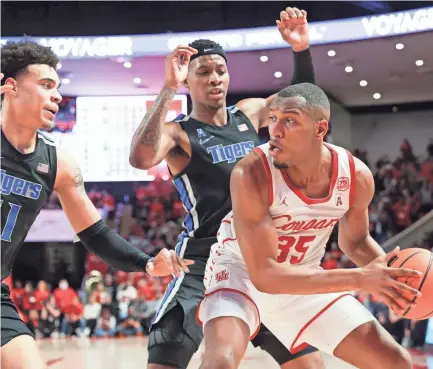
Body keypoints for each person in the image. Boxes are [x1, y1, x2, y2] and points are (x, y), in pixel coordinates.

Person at [130, 6, 324, 369]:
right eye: (203, 72)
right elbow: (140, 158)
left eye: (221, 70)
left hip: (258, 258)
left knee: (309, 364)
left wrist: (300, 50)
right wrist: (168, 86)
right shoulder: (178, 134)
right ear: (188, 82)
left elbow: (304, 104)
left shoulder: (249, 113)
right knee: (165, 362)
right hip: (200, 260)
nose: (215, 78)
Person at [197, 83, 422, 369]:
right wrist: (361, 278)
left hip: (302, 280)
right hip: (239, 274)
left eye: (289, 121)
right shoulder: (251, 172)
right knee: (221, 362)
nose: (275, 130)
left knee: (396, 362)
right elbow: (265, 275)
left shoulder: (355, 176)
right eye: (274, 118)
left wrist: (394, 281)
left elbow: (354, 242)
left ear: (320, 129)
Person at [0, 40, 192, 369]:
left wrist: (147, 264)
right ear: (10, 87)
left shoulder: (58, 163)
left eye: (58, 87)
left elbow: (96, 234)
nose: (57, 95)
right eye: (45, 85)